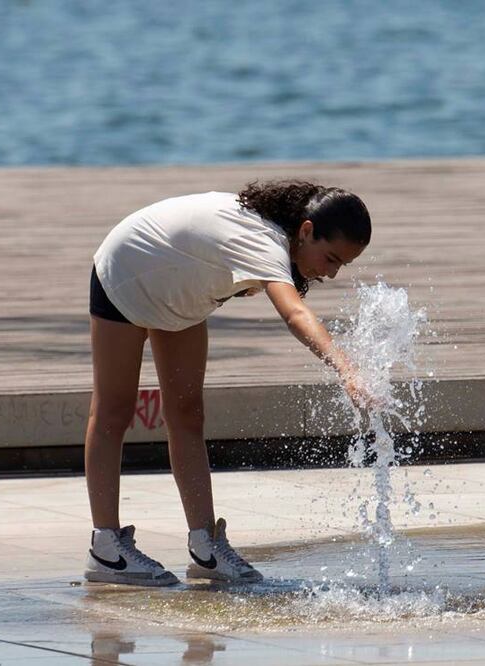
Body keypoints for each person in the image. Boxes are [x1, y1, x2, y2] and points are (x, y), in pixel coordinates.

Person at [84, 180, 372, 586]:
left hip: (180, 288)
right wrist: (346, 368)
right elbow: (295, 314)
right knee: (114, 409)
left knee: (187, 412)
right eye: (330, 258)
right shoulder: (266, 242)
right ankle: (106, 548)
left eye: (342, 265)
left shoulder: (278, 237)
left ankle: (206, 548)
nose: (331, 273)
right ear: (305, 231)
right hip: (128, 270)